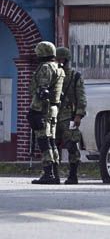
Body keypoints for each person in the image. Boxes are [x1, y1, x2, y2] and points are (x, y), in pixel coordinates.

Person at [29, 41, 65, 184]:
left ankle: (48, 174)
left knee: (44, 142)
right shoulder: (59, 68)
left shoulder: (45, 67)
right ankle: (55, 174)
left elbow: (43, 91)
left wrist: (34, 111)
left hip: (43, 109)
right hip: (53, 109)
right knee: (51, 142)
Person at [56, 47, 87, 184]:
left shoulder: (75, 76)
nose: (59, 61)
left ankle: (73, 175)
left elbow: (81, 97)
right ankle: (53, 174)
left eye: (61, 59)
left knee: (71, 146)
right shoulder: (53, 75)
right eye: (57, 59)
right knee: (53, 146)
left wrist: (79, 115)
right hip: (54, 116)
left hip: (69, 116)